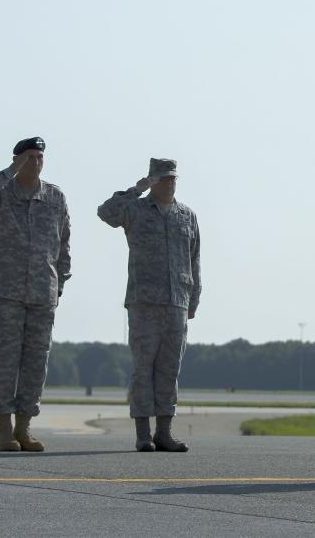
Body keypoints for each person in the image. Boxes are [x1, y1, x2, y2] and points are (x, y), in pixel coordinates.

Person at [0, 137, 71, 452]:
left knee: (36, 364)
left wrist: (59, 283)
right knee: (2, 363)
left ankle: (24, 427)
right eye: (29, 157)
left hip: (42, 295)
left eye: (39, 157)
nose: (35, 162)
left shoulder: (54, 197)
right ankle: (3, 429)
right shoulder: (0, 194)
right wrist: (11, 169)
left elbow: (63, 243)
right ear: (17, 159)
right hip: (3, 294)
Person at [98, 158, 201, 453]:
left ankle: (164, 432)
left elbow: (195, 259)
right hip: (144, 301)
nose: (168, 183)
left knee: (170, 369)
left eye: (172, 178)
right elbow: (106, 213)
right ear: (152, 180)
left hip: (177, 302)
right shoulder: (136, 209)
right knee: (143, 368)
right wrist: (137, 189)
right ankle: (143, 433)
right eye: (162, 178)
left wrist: (193, 299)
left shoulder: (186, 216)